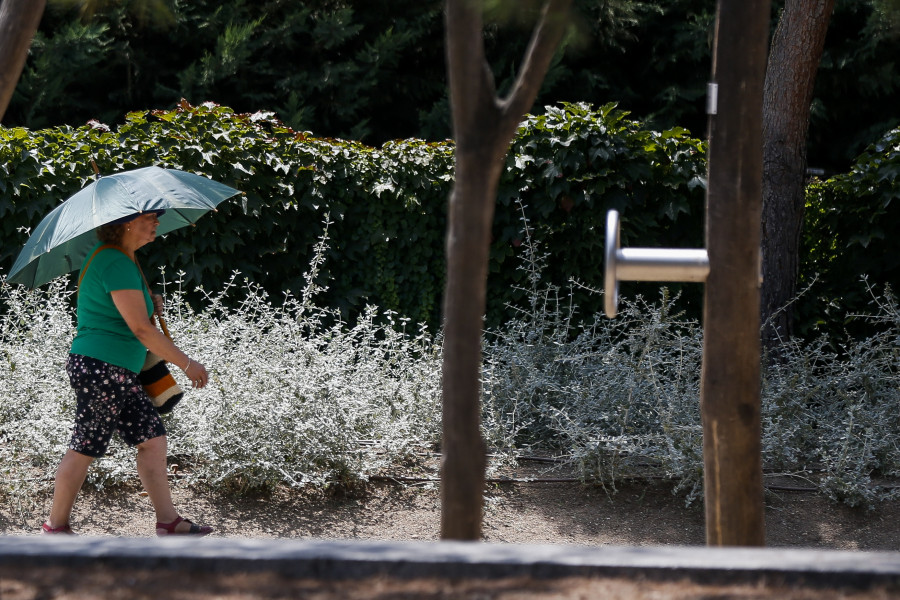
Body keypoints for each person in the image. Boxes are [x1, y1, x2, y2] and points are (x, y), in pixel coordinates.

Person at [41, 210, 213, 536]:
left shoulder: (123, 260)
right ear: (126, 223)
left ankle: (168, 522)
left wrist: (151, 304)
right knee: (84, 446)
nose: (157, 222)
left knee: (152, 440)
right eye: (151, 216)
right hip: (102, 369)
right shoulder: (115, 261)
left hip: (115, 369)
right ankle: (56, 526)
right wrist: (188, 365)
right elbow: (141, 331)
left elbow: (127, 315)